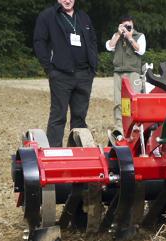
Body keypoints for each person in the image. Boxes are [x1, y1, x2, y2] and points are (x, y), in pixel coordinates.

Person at [33, 0, 98, 147]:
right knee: (58, 116)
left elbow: (93, 40)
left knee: (79, 118)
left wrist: (92, 67)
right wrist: (49, 69)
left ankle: (77, 153)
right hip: (60, 75)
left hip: (84, 75)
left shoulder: (83, 16)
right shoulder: (47, 16)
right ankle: (54, 153)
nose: (67, 1)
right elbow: (39, 42)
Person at [106, 14, 146, 130]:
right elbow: (109, 46)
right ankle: (119, 128)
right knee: (118, 101)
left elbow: (141, 50)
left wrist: (130, 37)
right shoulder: (117, 35)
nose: (127, 27)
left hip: (133, 72)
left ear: (133, 24)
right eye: (125, 25)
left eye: (129, 25)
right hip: (118, 72)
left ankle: (135, 128)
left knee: (133, 101)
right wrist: (119, 34)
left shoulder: (139, 36)